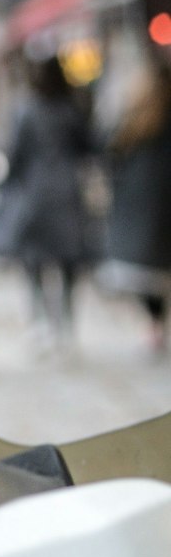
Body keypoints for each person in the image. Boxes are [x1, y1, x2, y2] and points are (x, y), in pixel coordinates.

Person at [0, 56, 96, 348]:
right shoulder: (71, 109)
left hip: (34, 194)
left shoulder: (26, 111)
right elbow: (89, 147)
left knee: (34, 262)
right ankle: (66, 324)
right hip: (67, 192)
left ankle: (40, 322)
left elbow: (14, 155)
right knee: (68, 261)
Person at [99, 49, 171, 353]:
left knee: (151, 270)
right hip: (157, 202)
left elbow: (109, 152)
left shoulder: (135, 118)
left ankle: (154, 327)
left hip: (144, 205)